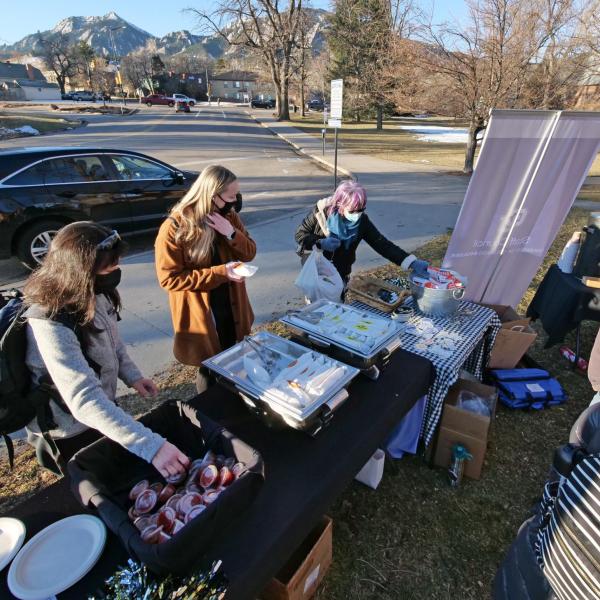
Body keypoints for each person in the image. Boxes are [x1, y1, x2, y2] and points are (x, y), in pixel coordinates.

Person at [23, 222, 190, 478]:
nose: (116, 271)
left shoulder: (96, 291)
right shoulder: (50, 322)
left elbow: (112, 340)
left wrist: (132, 375)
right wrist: (153, 447)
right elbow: (84, 400)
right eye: (108, 267)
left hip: (103, 408)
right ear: (79, 271)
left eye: (116, 263)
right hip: (70, 428)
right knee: (97, 481)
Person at [155, 165, 256, 393]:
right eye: (231, 196)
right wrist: (221, 273)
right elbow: (169, 279)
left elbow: (249, 252)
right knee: (210, 369)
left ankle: (236, 401)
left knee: (235, 358)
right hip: (204, 314)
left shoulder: (229, 216)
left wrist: (230, 233)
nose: (235, 201)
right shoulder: (174, 228)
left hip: (233, 306)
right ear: (212, 195)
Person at [295, 180, 430, 289]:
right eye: (353, 210)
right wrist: (320, 242)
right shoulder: (322, 212)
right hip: (315, 272)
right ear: (340, 204)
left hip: (340, 275)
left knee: (336, 309)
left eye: (361, 209)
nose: (357, 214)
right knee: (316, 311)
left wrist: (411, 262)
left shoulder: (362, 222)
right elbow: (300, 235)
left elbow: (382, 244)